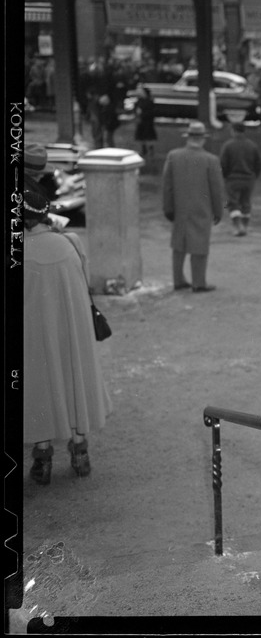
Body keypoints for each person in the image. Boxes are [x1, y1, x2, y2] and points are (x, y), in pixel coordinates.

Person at [22, 190, 112, 484]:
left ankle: (43, 456)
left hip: (35, 331)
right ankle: (80, 451)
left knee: (41, 387)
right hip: (73, 328)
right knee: (75, 381)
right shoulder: (71, 243)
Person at [162, 121, 226, 292]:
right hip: (202, 208)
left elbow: (167, 186)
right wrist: (218, 211)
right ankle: (198, 282)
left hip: (179, 208)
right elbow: (216, 190)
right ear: (203, 139)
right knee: (200, 246)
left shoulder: (173, 156)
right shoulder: (210, 160)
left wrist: (167, 208)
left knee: (178, 245)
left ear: (188, 138)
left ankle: (178, 279)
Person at [219, 121, 261, 237]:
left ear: (233, 131)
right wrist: (254, 176)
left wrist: (225, 175)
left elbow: (223, 164)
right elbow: (258, 164)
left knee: (233, 203)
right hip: (249, 179)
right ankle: (245, 226)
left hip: (233, 179)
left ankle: (238, 226)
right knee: (246, 202)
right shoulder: (252, 145)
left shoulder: (228, 145)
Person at [133, 86, 158, 160]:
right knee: (141, 137)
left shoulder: (149, 101)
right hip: (141, 122)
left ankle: (150, 150)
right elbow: (135, 109)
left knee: (149, 137)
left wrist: (142, 113)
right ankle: (143, 149)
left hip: (147, 122)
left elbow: (151, 112)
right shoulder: (139, 101)